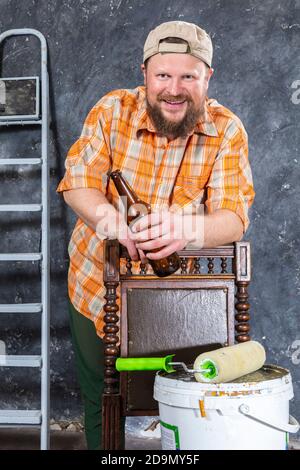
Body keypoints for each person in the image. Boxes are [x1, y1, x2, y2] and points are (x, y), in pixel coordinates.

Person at [57, 20, 255, 449]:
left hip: (178, 298)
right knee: (103, 401)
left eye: (189, 76)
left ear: (208, 78)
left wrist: (187, 229)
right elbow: (77, 182)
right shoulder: (112, 110)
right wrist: (113, 225)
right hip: (96, 284)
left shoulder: (227, 130)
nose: (174, 88)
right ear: (144, 73)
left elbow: (234, 216)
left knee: (188, 398)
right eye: (163, 75)